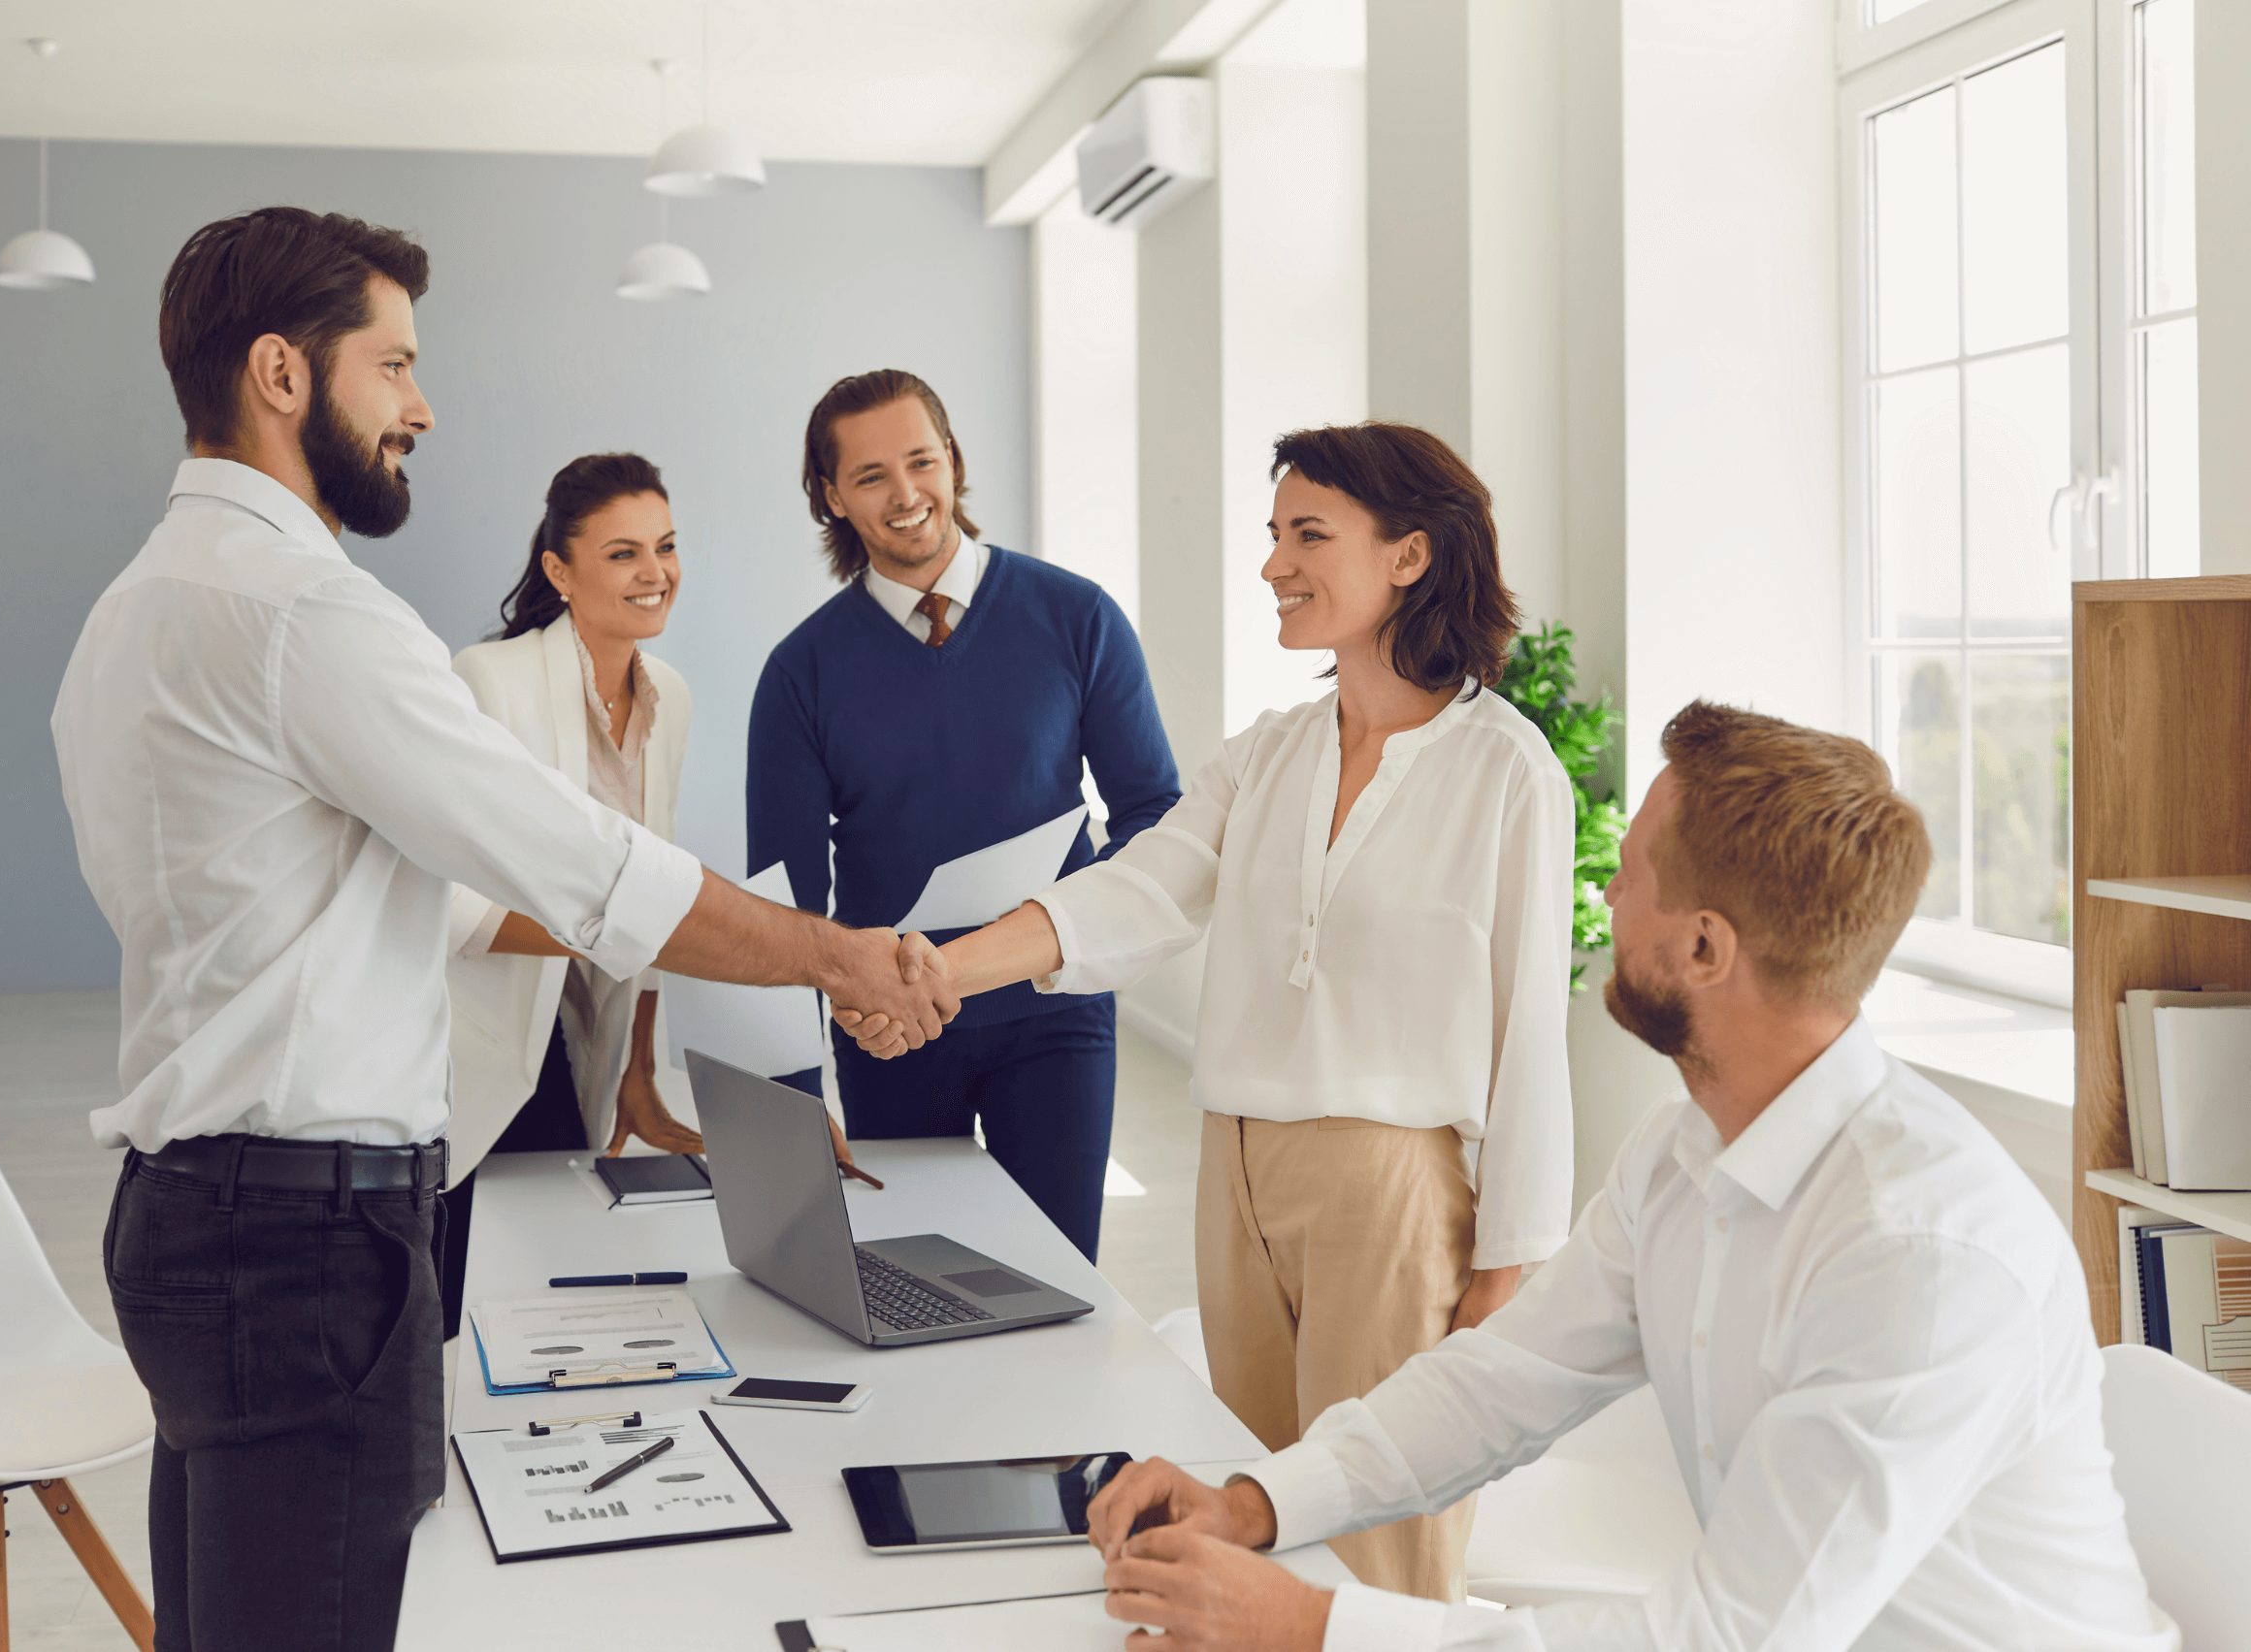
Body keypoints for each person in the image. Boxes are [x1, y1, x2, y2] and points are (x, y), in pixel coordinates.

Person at [50, 208, 952, 1652]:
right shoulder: (307, 616)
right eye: (393, 364)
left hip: (195, 1207)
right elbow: (588, 868)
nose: (421, 406)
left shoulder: (139, 605)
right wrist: (841, 955)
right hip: (303, 1239)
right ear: (283, 373)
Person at [1075, 702, 2176, 1652]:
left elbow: (1719, 1639)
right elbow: (1493, 1383)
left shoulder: (1917, 1256)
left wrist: (1305, 1624)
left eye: (1632, 869)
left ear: (1704, 948)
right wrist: (1256, 1499)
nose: (1602, 886)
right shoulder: (1682, 1148)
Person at [851, 422, 1576, 1601]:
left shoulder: (1507, 768)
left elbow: (1529, 1033)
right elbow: (1137, 890)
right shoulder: (1271, 750)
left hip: (1389, 1187)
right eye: (1273, 533)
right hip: (1234, 1168)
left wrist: (1510, 1262)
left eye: (1308, 534)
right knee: (1249, 1506)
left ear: (1409, 555)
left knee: (1380, 1541)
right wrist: (943, 968)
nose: (1273, 563)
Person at [435, 452, 879, 1340]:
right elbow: (458, 908)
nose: (655, 573)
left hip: (582, 1040)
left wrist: (637, 1074)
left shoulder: (665, 696)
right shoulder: (490, 680)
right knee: (471, 1286)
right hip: (485, 1041)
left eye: (666, 547)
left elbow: (652, 870)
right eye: (623, 553)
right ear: (559, 571)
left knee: (547, 1281)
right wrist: (633, 932)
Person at [747, 369, 1180, 1262]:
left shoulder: (1078, 617)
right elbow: (784, 903)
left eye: (921, 460)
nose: (906, 495)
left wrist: (1089, 941)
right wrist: (793, 1093)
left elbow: (1151, 817)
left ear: (954, 461)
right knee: (915, 1277)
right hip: (890, 1031)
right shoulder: (801, 673)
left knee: (1057, 1282)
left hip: (1055, 1016)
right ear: (832, 497)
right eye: (871, 476)